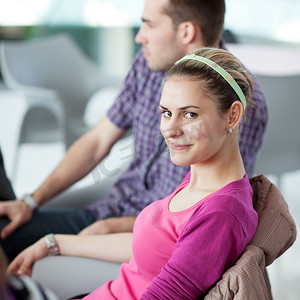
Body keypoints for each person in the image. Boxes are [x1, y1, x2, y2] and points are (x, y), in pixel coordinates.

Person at [0, 0, 267, 261]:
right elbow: (98, 140)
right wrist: (30, 202)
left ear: (186, 32)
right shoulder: (149, 65)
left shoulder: (234, 105)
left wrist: (112, 227)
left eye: (148, 25)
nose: (139, 37)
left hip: (140, 240)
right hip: (107, 211)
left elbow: (206, 215)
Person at [8, 47, 259, 299]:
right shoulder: (199, 179)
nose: (169, 130)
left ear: (232, 115)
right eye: (166, 113)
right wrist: (54, 243)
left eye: (190, 114)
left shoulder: (221, 213)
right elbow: (150, 247)